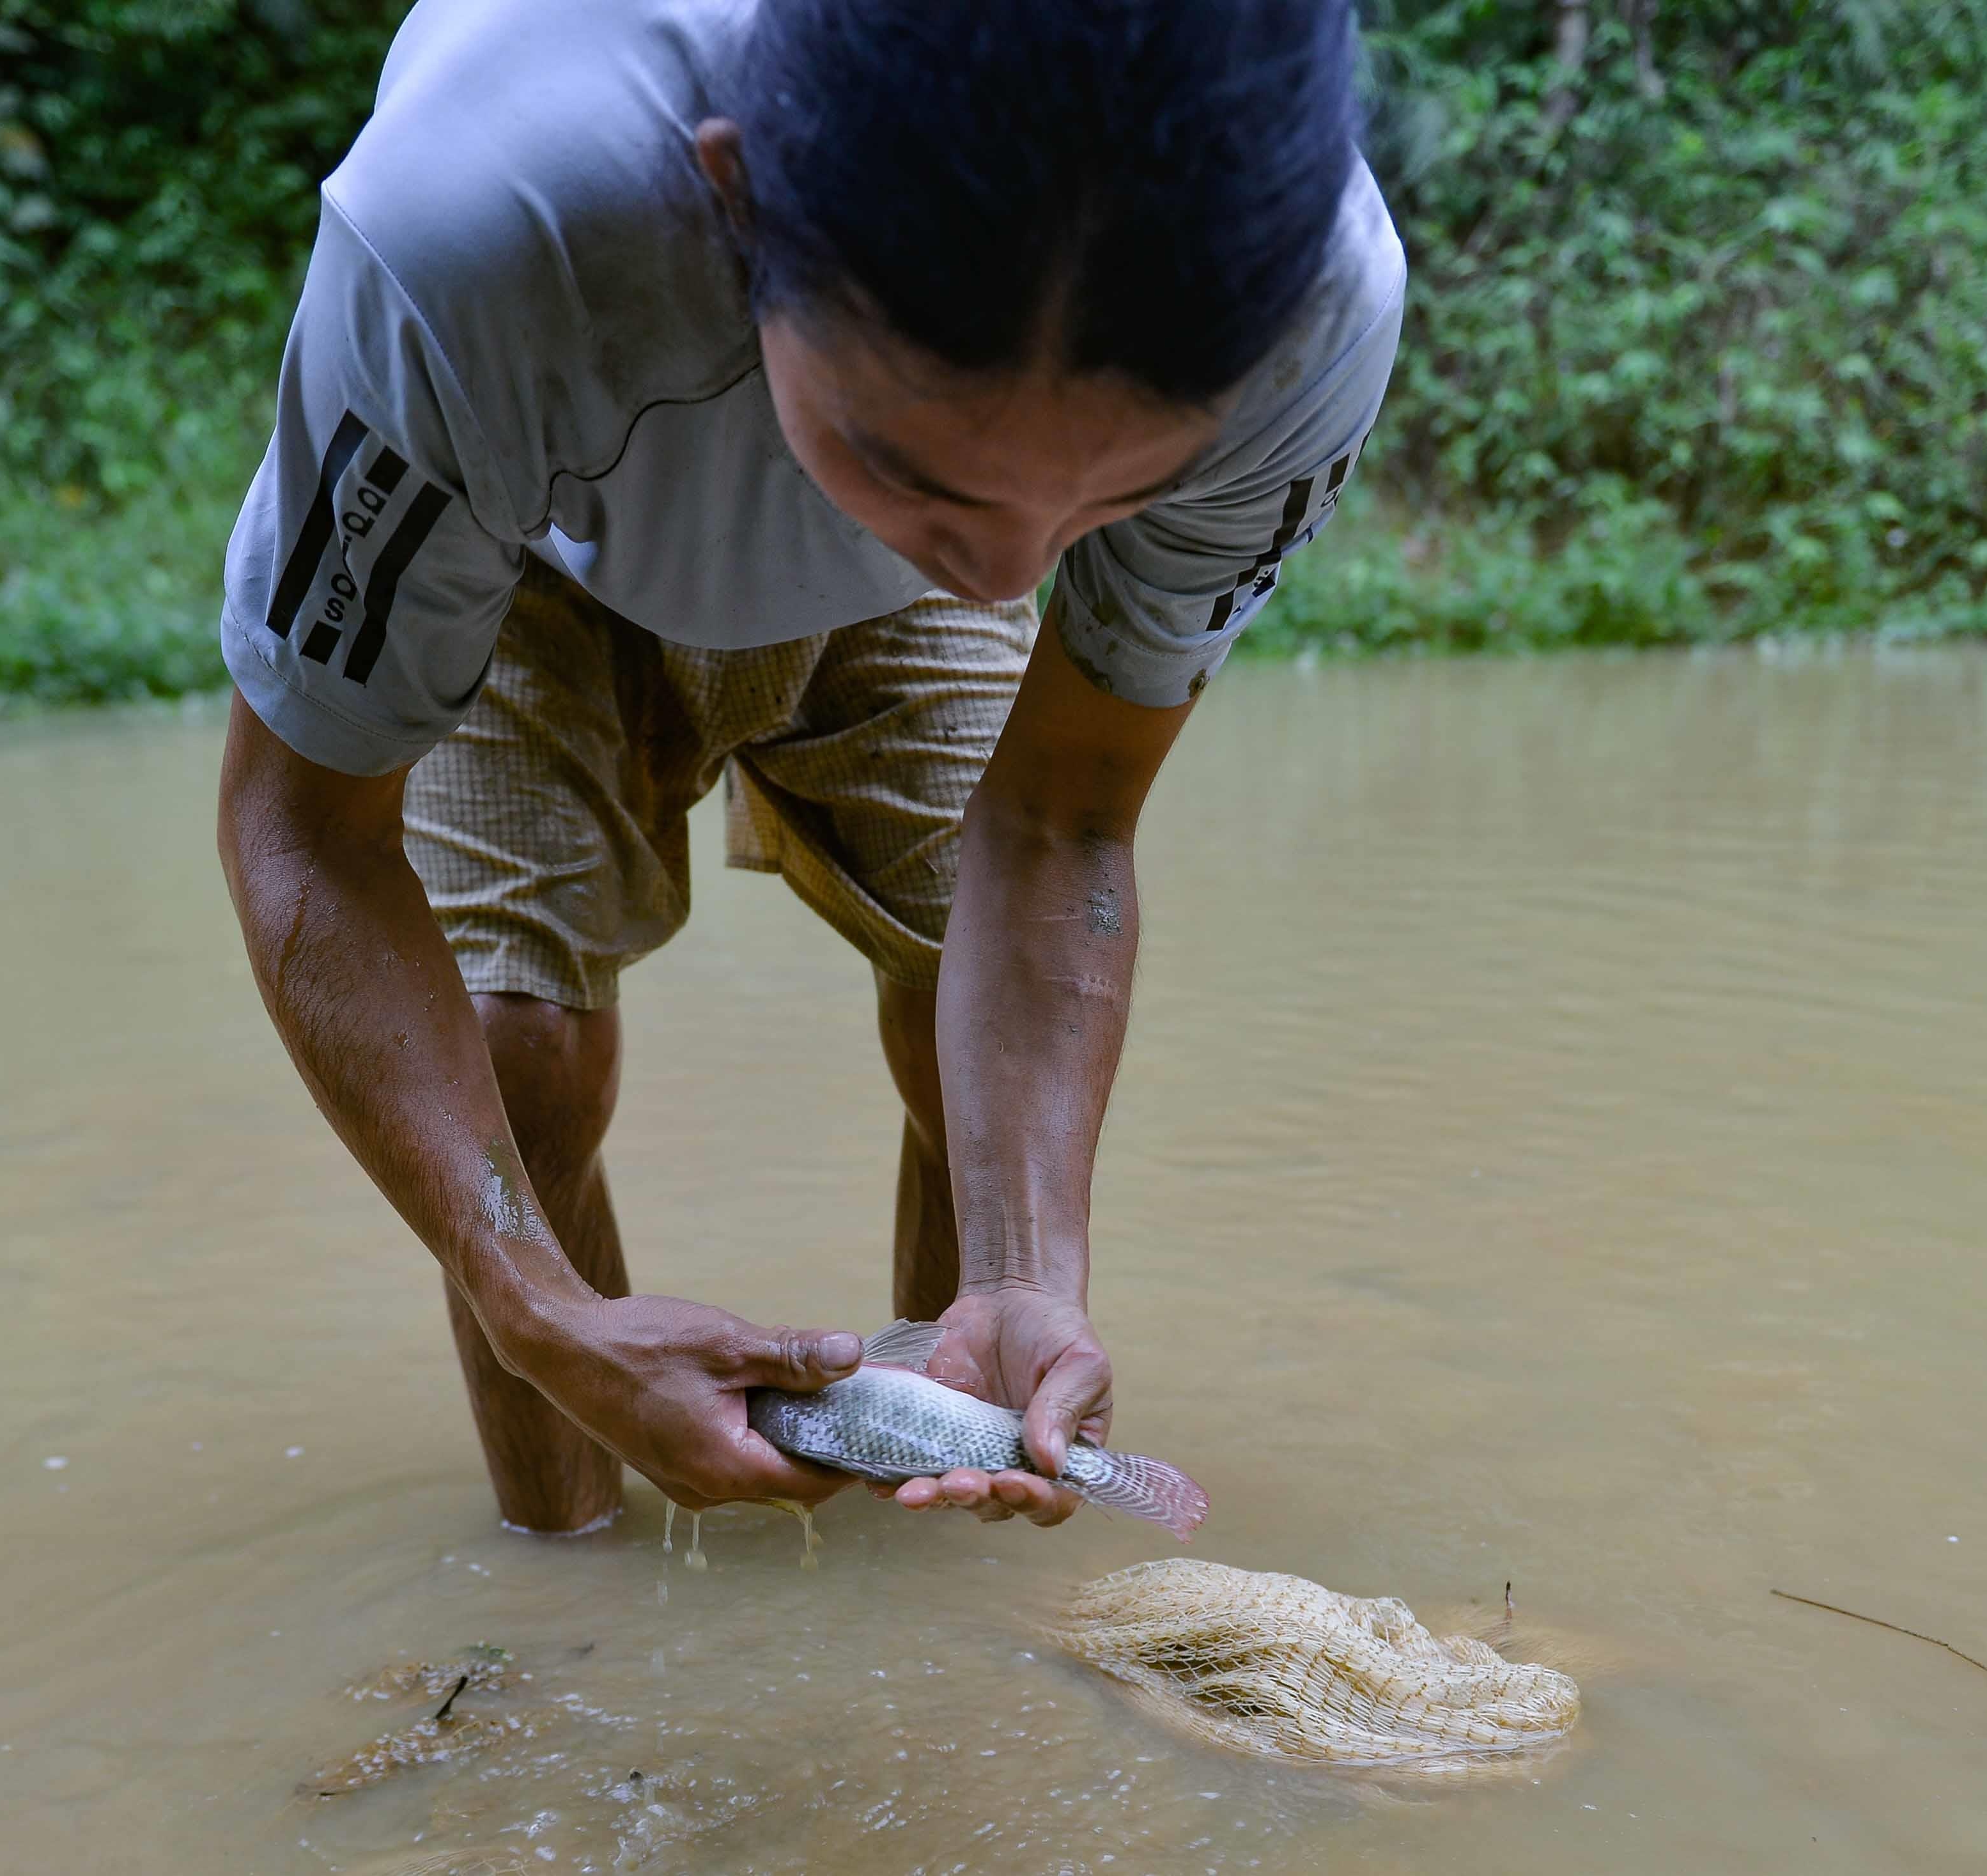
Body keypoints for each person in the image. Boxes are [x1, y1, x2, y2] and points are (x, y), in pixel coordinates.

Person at [213, 0, 1402, 1537]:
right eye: (924, 466)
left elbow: (1060, 814)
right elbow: (305, 831)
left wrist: (1031, 1264)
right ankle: (555, 1580)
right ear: (733, 197)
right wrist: (533, 1303)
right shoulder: (479, 224)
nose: (1006, 586)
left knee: (948, 999)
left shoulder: (1307, 316)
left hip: (868, 554)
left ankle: (942, 1526)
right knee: (520, 1052)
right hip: (530, 538)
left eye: (1112, 496)